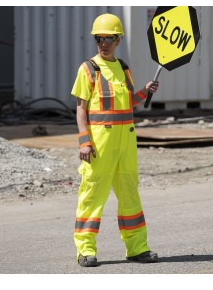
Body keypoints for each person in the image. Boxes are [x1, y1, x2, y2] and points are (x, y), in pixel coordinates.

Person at [71, 13, 159, 267]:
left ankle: (138, 248)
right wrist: (83, 141)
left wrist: (144, 91)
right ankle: (85, 250)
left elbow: (128, 102)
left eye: (109, 38)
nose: (103, 43)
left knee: (130, 194)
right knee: (92, 195)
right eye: (99, 38)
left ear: (118, 40)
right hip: (100, 145)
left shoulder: (123, 67)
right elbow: (80, 109)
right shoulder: (88, 69)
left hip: (126, 144)